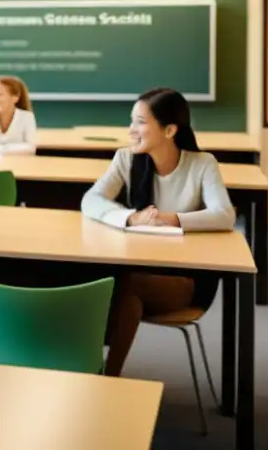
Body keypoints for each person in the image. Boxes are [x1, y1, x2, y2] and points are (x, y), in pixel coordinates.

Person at [81, 87, 235, 376]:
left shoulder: (202, 165)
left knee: (114, 283)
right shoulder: (126, 159)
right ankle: (107, 376)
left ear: (170, 130)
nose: (131, 130)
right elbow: (90, 200)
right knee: (129, 299)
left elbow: (225, 215)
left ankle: (87, 364)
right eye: (132, 120)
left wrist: (172, 219)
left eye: (140, 122)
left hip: (185, 278)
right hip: (137, 269)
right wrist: (131, 218)